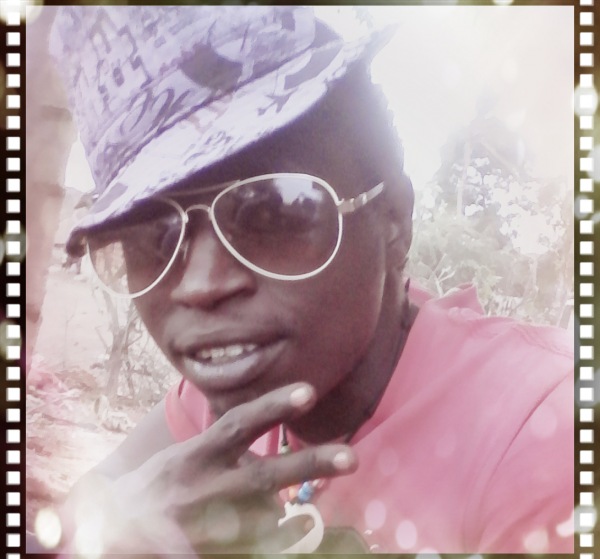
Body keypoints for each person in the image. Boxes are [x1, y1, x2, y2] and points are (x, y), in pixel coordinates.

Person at [43, 5, 573, 556]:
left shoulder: (542, 430)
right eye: (150, 237)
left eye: (273, 212)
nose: (199, 285)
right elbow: (78, 515)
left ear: (393, 219)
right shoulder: (224, 394)